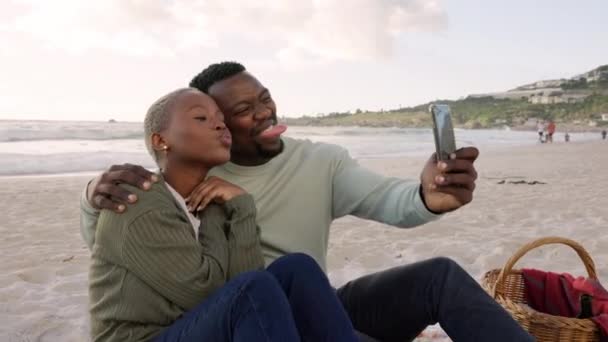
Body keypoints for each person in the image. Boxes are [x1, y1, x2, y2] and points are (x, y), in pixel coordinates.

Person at [81, 62, 533, 341]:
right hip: (241, 315)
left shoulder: (320, 160)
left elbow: (389, 199)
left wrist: (427, 195)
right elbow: (120, 235)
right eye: (240, 111)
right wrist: (92, 195)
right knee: (264, 295)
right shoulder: (199, 168)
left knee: (438, 277)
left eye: (264, 99)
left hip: (310, 298)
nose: (263, 113)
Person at [89, 87, 358, 342]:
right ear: (160, 141)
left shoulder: (211, 202)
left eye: (221, 119)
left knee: (297, 268)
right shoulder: (139, 199)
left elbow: (248, 279)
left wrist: (239, 205)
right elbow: (210, 294)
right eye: (201, 118)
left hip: (192, 327)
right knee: (253, 288)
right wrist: (231, 212)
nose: (219, 125)